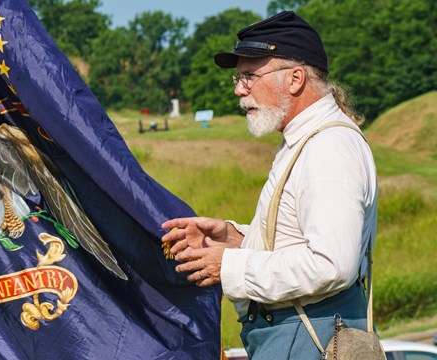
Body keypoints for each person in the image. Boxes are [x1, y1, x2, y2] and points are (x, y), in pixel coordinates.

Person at [161, 11, 378, 358]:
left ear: (294, 79)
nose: (238, 89)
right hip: (302, 333)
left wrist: (228, 264)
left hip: (311, 337)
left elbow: (330, 264)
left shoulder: (327, 148)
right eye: (239, 77)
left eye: (249, 76)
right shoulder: (306, 141)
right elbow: (300, 240)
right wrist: (237, 239)